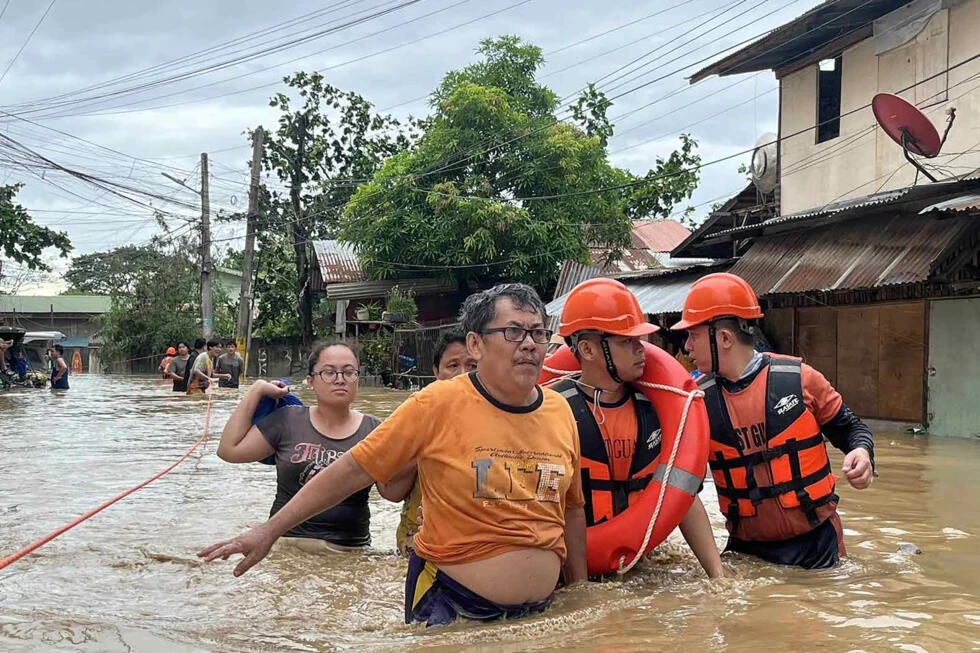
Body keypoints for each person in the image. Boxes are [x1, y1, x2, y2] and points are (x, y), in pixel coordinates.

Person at [199, 283, 588, 627]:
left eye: (538, 332)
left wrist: (583, 590)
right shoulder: (437, 402)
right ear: (475, 344)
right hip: (451, 608)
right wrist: (270, 531)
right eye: (513, 331)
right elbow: (352, 469)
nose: (529, 344)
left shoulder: (560, 412)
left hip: (541, 613)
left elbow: (571, 509)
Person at [671, 272, 875, 569]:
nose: (687, 347)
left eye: (693, 336)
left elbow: (851, 429)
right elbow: (684, 491)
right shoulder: (698, 404)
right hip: (746, 551)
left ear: (724, 338)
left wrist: (862, 452)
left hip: (817, 546)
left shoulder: (801, 380)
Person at [553, 278, 724, 579]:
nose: (641, 349)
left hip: (641, 562)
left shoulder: (657, 409)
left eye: (639, 340)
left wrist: (717, 577)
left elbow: (682, 497)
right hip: (574, 570)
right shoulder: (552, 412)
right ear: (588, 350)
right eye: (626, 342)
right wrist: (577, 591)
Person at [213, 341, 400, 551]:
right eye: (329, 372)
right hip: (283, 545)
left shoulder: (376, 430)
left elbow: (392, 494)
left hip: (348, 551)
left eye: (349, 372)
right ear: (311, 381)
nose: (340, 379)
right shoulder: (288, 419)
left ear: (358, 380)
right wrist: (255, 390)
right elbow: (229, 450)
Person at [394, 329, 477, 554]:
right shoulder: (419, 415)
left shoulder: (499, 423)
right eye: (453, 366)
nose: (463, 374)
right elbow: (390, 492)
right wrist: (423, 449)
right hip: (414, 544)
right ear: (436, 372)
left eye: (473, 366)